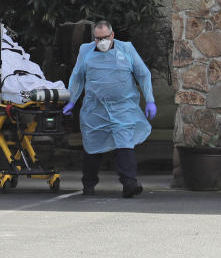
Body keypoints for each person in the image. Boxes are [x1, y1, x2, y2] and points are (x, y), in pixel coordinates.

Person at [63, 20, 156, 198]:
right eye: (98, 39)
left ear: (112, 35)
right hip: (95, 109)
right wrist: (71, 101)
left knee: (125, 144)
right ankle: (88, 184)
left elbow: (143, 74)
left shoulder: (126, 49)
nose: (102, 42)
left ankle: (129, 183)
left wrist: (150, 100)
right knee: (93, 146)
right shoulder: (86, 51)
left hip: (123, 108)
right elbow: (77, 77)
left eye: (105, 37)